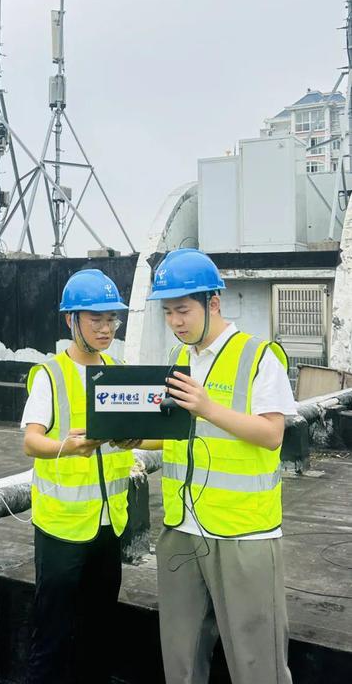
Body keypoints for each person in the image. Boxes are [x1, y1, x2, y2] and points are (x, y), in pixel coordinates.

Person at [146, 248, 296, 684]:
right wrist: (134, 439)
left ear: (213, 302)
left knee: (257, 662)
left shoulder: (259, 356)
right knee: (181, 657)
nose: (175, 322)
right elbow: (184, 434)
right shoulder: (180, 360)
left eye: (183, 310)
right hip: (182, 527)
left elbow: (272, 433)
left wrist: (208, 406)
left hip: (243, 532)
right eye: (168, 312)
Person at [22, 269, 136, 684]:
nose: (106, 329)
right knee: (51, 634)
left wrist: (136, 437)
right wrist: (67, 447)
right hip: (61, 530)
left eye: (112, 319)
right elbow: (31, 441)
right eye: (95, 319)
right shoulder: (50, 375)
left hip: (109, 524)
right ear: (71, 320)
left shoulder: (119, 371)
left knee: (99, 632)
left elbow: (141, 435)